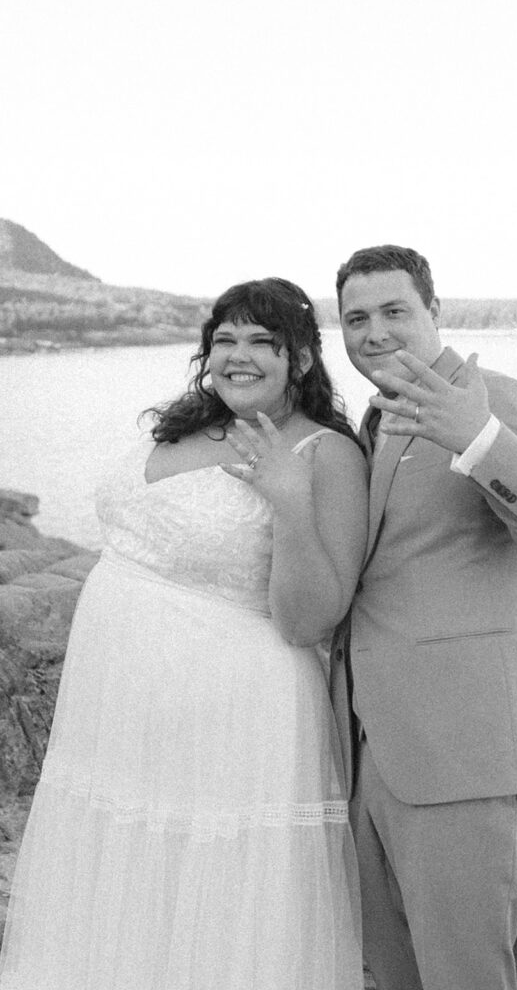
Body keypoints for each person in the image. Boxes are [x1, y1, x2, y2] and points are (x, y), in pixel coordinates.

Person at [0, 278, 368, 990]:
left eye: (262, 341)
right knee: (125, 866)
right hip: (119, 707)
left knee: (215, 888)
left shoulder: (328, 455)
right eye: (224, 338)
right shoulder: (185, 425)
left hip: (234, 713)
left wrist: (291, 503)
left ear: (299, 359)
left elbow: (311, 618)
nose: (239, 355)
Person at [330, 245, 517, 990]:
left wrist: (480, 441)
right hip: (380, 750)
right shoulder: (373, 422)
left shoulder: (496, 399)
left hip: (472, 754)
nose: (374, 332)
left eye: (394, 312)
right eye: (356, 318)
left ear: (435, 313)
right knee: (395, 975)